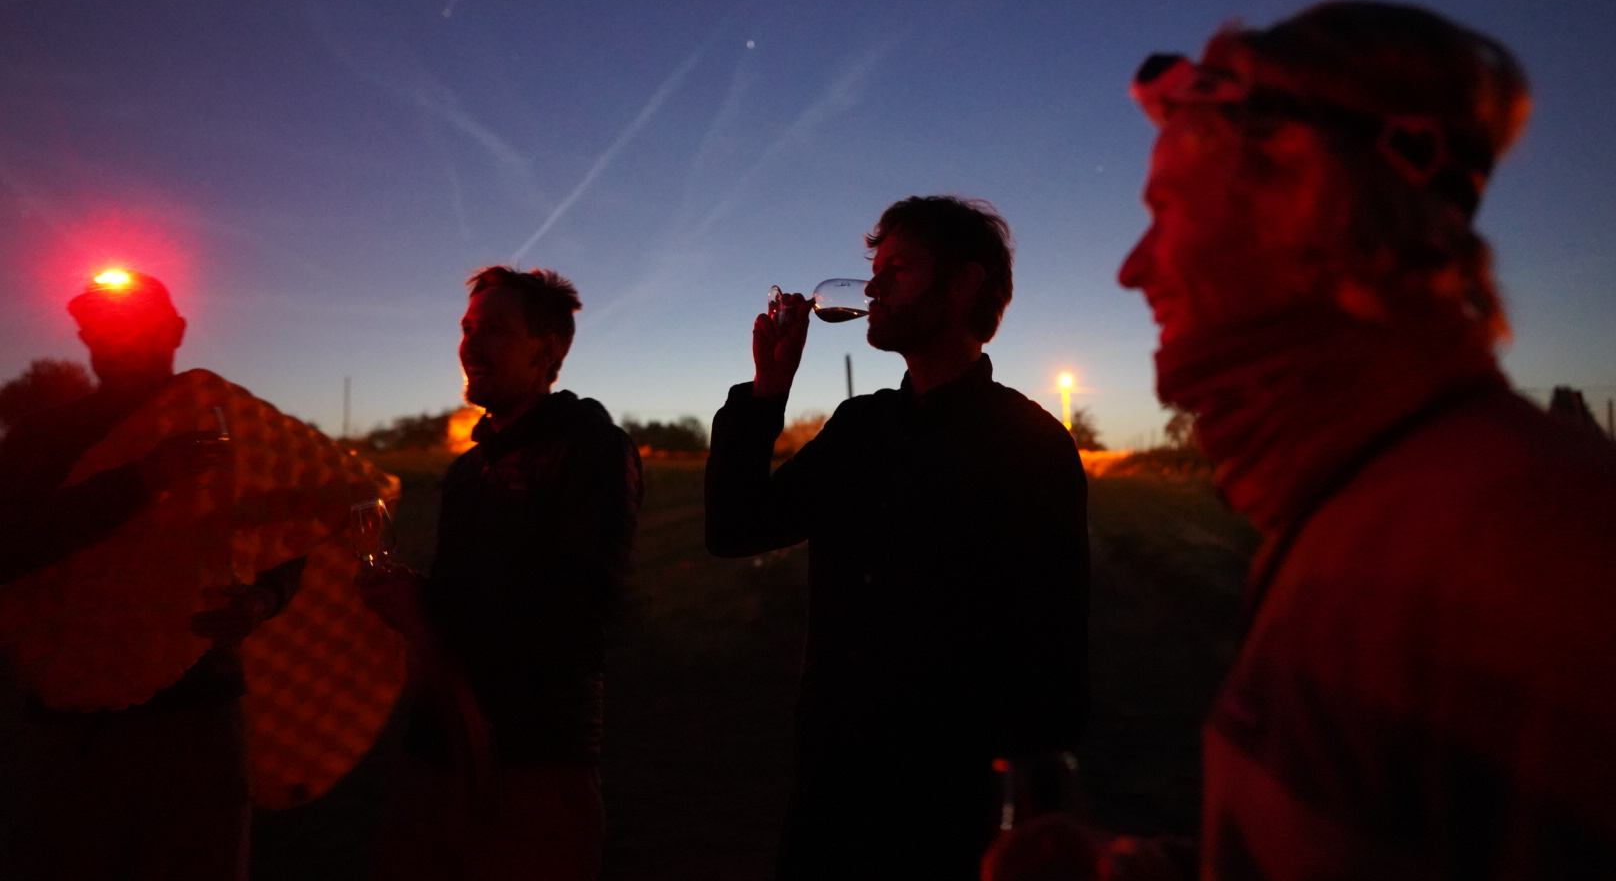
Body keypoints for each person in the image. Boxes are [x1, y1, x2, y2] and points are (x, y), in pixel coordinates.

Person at [1112, 0, 1616, 875]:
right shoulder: (1349, 501)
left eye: (1166, 206)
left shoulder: (1538, 559)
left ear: (1312, 200)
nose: (1132, 267)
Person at [705, 195, 1089, 880]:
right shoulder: (862, 427)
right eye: (874, 269)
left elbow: (1053, 652)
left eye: (898, 269)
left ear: (964, 284)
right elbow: (736, 527)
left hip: (952, 805)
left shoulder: (1029, 442)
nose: (873, 288)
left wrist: (1031, 813)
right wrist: (767, 391)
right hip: (834, 784)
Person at [0, 269, 303, 881]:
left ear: (176, 331)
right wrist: (140, 480)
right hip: (69, 726)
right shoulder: (42, 437)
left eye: (136, 324)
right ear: (86, 336)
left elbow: (286, 538)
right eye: (100, 325)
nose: (116, 338)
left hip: (200, 718)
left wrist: (263, 599)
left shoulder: (232, 431)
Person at [357, 266, 642, 881]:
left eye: (495, 330)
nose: (470, 345)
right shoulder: (467, 471)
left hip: (533, 764)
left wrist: (422, 615)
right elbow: (468, 594)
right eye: (466, 329)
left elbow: (576, 615)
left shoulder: (591, 447)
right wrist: (410, 595)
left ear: (548, 349)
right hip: (434, 748)